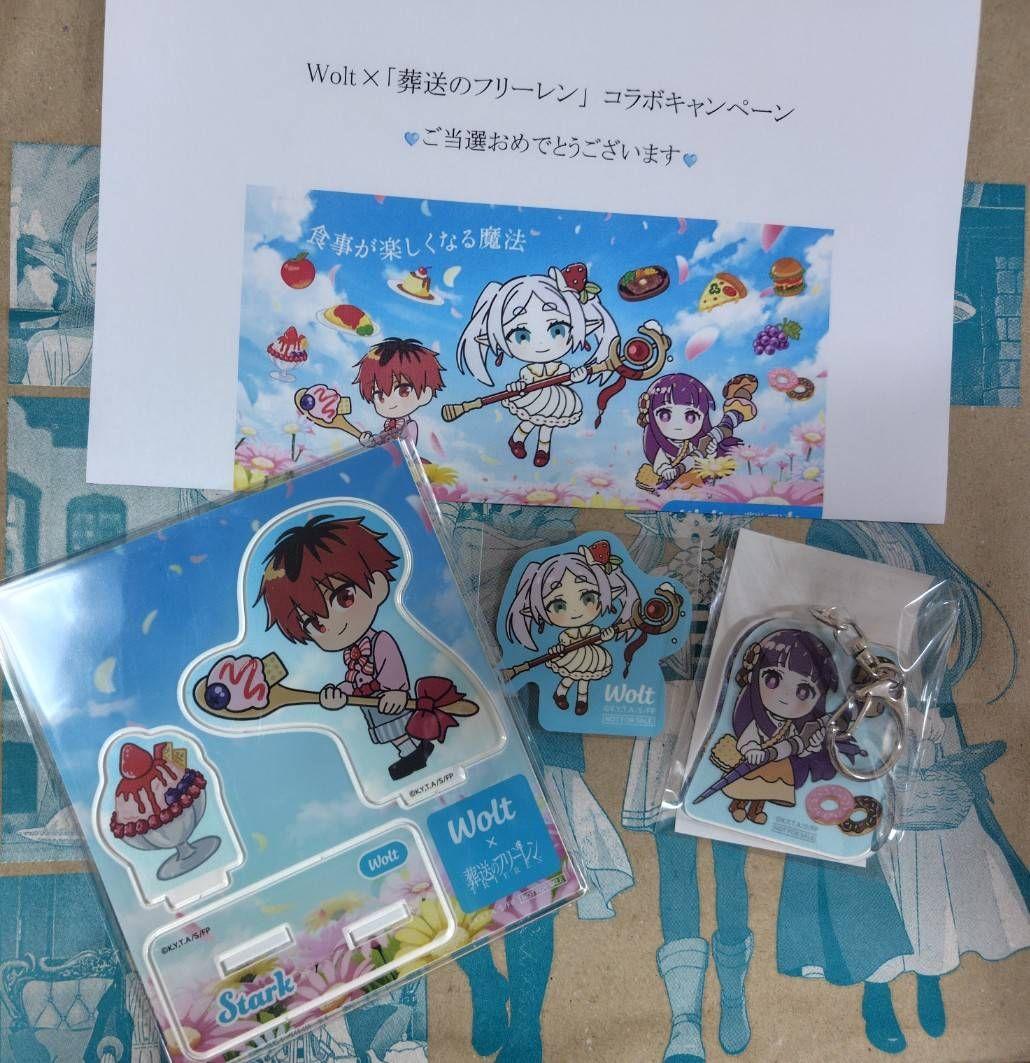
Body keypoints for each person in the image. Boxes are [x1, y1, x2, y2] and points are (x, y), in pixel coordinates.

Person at [257, 514, 455, 780]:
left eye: (344, 597)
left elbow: (392, 667)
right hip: (372, 702)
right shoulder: (351, 654)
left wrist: (397, 691)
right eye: (314, 622)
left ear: (378, 585)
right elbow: (353, 680)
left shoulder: (379, 641)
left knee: (398, 726)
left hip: (388, 698)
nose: (332, 623)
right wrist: (339, 693)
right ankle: (411, 750)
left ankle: (416, 750)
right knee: (389, 731)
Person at [456, 265, 618, 467]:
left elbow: (567, 379)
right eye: (521, 336)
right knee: (530, 420)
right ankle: (517, 438)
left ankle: (543, 450)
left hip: (557, 399)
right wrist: (517, 387)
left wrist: (577, 376)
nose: (541, 344)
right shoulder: (529, 370)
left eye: (557, 330)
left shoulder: (560, 367)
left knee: (548, 425)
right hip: (535, 396)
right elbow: (525, 381)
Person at [354, 337, 445, 449]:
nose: (390, 402)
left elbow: (407, 448)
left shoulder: (410, 426)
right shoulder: (389, 424)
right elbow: (382, 440)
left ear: (425, 393)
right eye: (380, 395)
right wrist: (369, 441)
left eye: (403, 391)